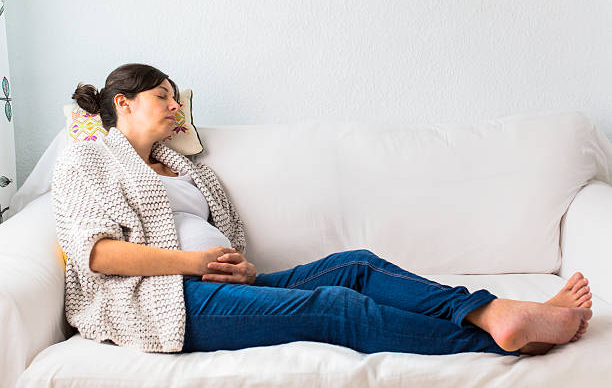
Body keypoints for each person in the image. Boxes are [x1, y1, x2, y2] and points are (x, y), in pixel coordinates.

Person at [51, 63, 593, 357]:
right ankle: (503, 339)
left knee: (354, 265)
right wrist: (197, 265)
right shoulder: (88, 161)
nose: (175, 107)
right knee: (335, 304)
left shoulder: (183, 167)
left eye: (176, 97)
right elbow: (98, 255)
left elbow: (219, 242)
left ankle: (494, 311)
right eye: (162, 96)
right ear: (122, 103)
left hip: (225, 284)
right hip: (170, 303)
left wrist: (237, 265)